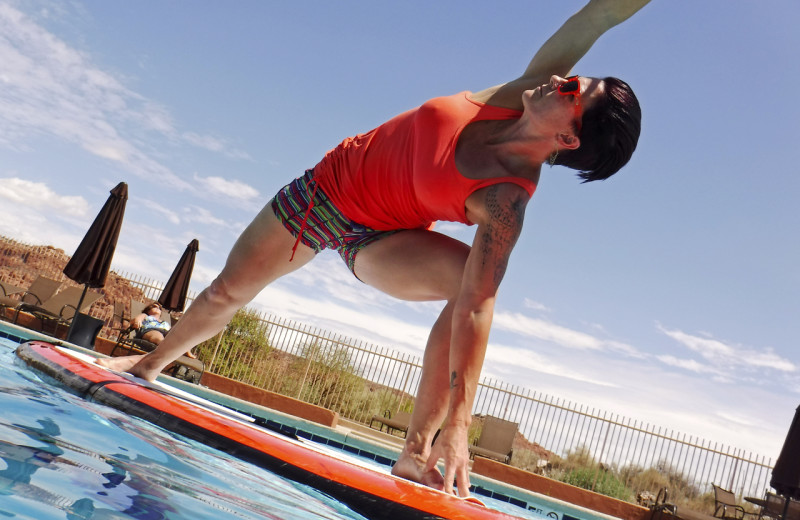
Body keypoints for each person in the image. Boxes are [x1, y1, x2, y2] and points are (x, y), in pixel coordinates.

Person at [99, 0, 650, 497]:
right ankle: (150, 365)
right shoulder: (520, 93)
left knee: (469, 286)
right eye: (573, 78)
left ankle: (415, 454)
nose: (561, 79)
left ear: (569, 139)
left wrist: (459, 426)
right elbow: (598, 15)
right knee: (227, 292)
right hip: (326, 193)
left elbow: (478, 307)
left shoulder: (505, 201)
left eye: (575, 92)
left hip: (383, 242)